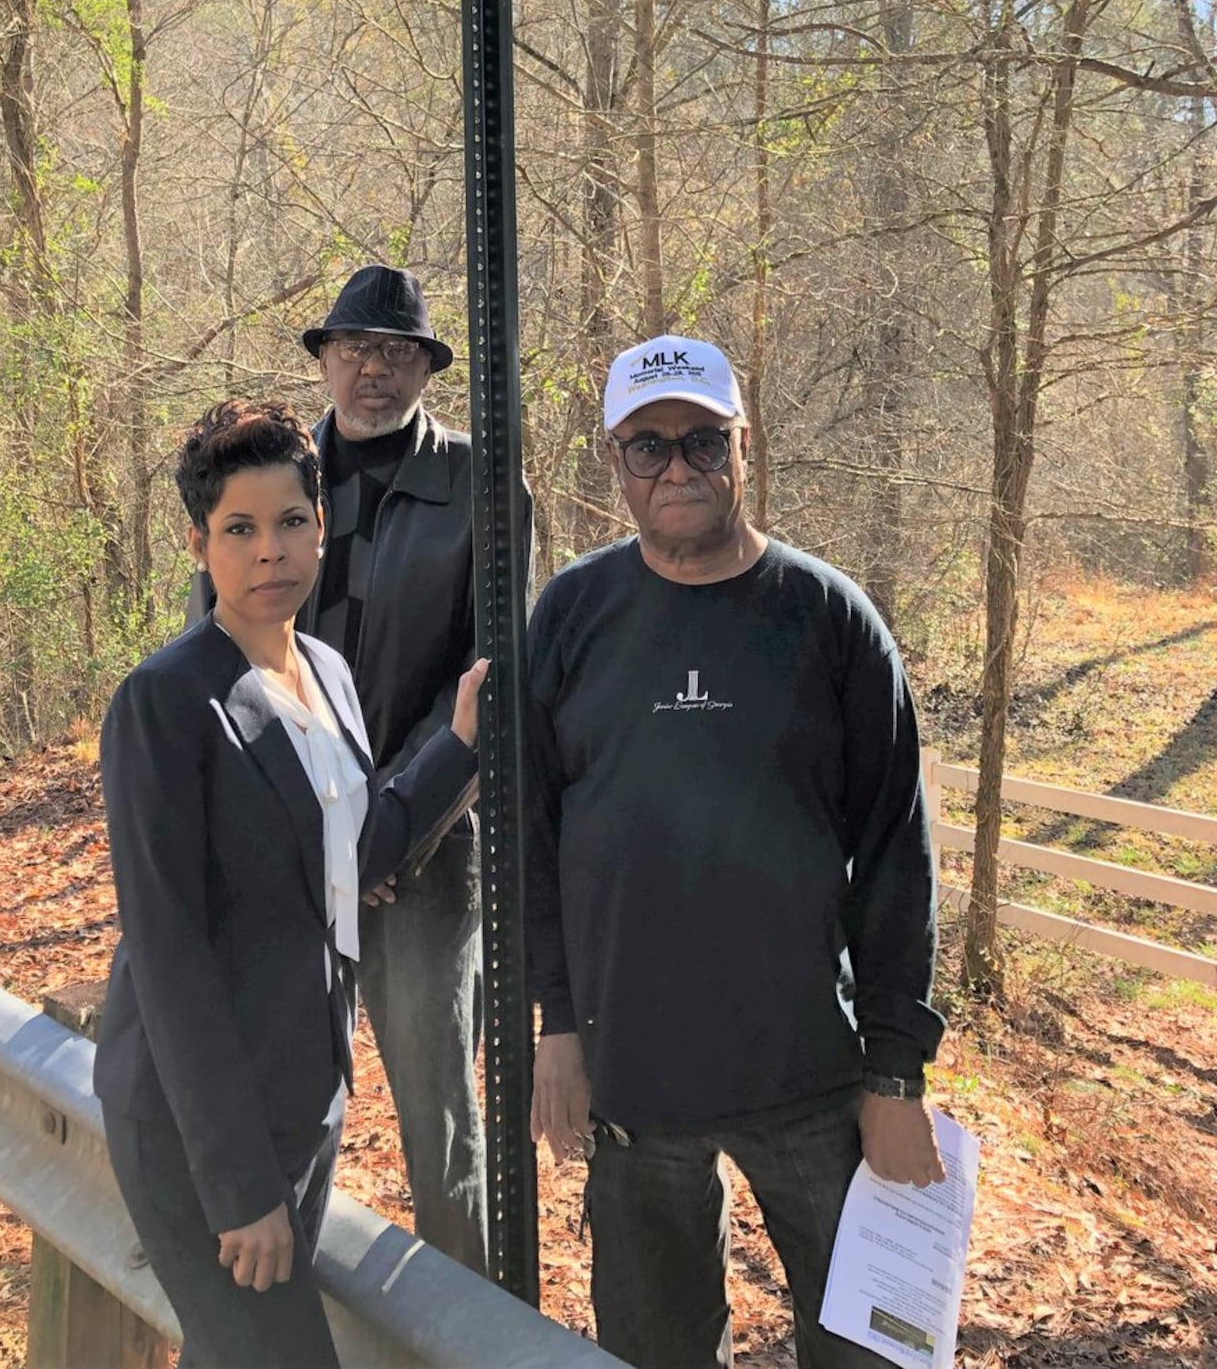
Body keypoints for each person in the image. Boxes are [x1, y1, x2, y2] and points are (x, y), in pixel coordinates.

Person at [525, 336, 946, 1369]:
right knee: (654, 1350)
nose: (677, 471)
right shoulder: (573, 617)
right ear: (612, 460)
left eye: (703, 443)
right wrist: (557, 1024)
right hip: (632, 1078)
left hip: (808, 1071)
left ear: (745, 447)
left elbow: (896, 849)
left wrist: (895, 1076)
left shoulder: (829, 619)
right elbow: (530, 841)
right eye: (649, 447)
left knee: (866, 1352)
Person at [94, 399, 487, 1369]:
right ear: (198, 545)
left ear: (321, 529)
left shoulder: (325, 672)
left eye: (291, 523)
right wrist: (238, 1190)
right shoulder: (166, 702)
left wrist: (461, 743)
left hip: (303, 1103)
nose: (270, 551)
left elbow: (359, 851)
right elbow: (170, 957)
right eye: (240, 529)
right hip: (200, 1135)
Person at [190, 264, 502, 1272]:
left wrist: (388, 828)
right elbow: (225, 654)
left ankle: (469, 1327)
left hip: (422, 854)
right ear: (323, 359)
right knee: (280, 1086)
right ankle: (262, 1297)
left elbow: (485, 684)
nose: (374, 371)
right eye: (355, 349)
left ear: (426, 367)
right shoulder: (279, 479)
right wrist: (305, 828)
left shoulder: (480, 488)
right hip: (286, 847)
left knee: (437, 1118)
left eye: (398, 352)